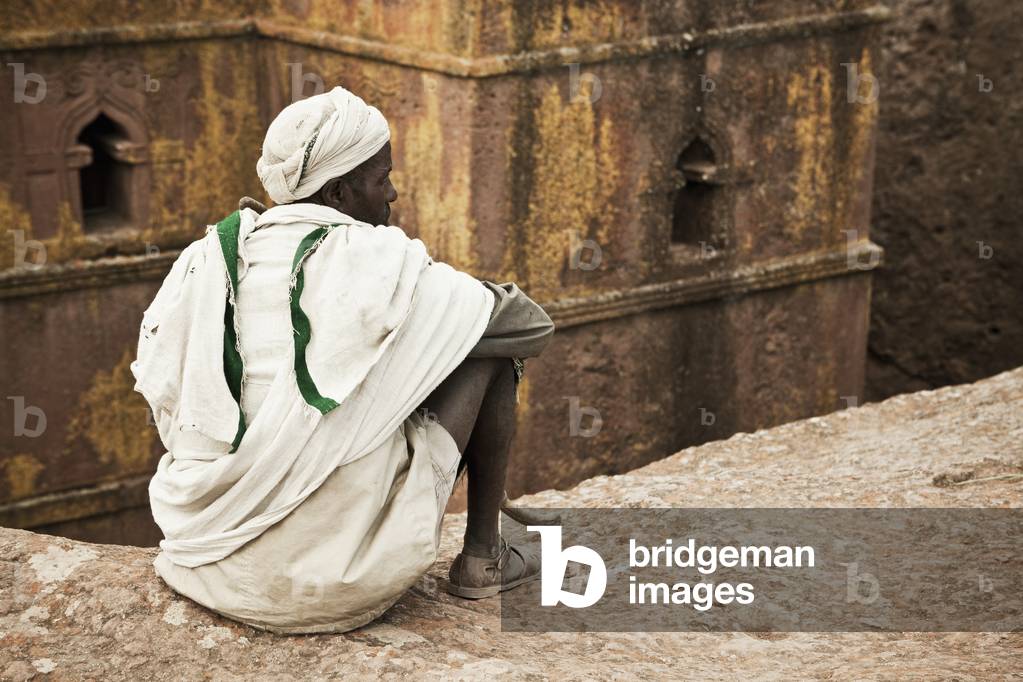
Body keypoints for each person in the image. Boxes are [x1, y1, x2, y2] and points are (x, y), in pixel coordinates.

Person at [131, 86, 555, 634]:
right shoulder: (376, 258)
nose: (394, 194)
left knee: (425, 344)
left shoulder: (207, 258)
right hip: (336, 581)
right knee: (482, 342)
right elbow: (532, 325)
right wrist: (449, 315)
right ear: (338, 190)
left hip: (211, 564)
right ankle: (483, 557)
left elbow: (163, 391)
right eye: (382, 179)